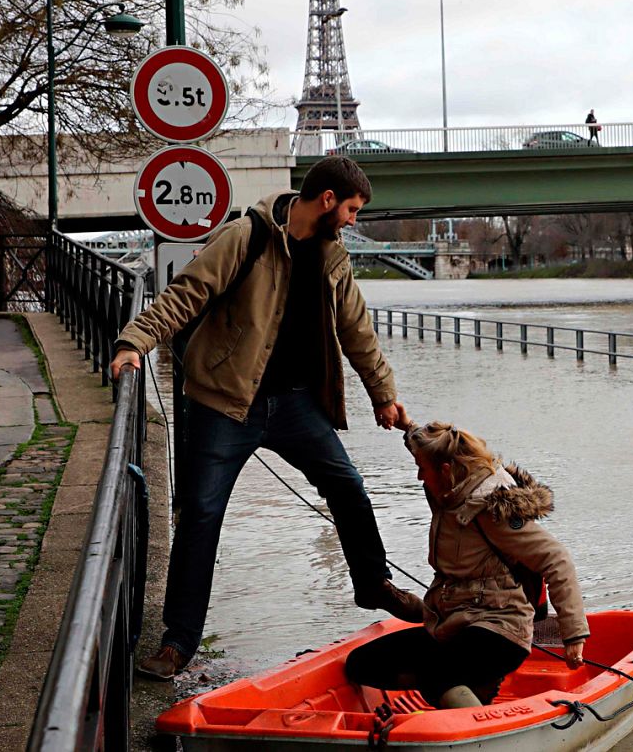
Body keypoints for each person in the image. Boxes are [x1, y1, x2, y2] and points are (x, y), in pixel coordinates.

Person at [110, 156, 423, 681]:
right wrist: (133, 341)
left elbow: (357, 330)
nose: (352, 221)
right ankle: (178, 642)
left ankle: (371, 583)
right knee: (201, 516)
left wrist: (383, 395)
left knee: (348, 486)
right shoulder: (246, 236)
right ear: (326, 199)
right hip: (225, 403)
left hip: (297, 405)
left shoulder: (333, 258)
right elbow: (187, 294)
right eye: (350, 210)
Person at [345, 421, 588, 709]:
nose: (419, 476)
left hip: (500, 630)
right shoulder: (446, 494)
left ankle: (475, 719)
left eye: (422, 468)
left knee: (435, 674)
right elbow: (429, 443)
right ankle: (472, 686)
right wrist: (405, 424)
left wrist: (573, 635)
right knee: (361, 664)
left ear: (446, 470)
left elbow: (556, 559)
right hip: (453, 625)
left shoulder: (491, 508)